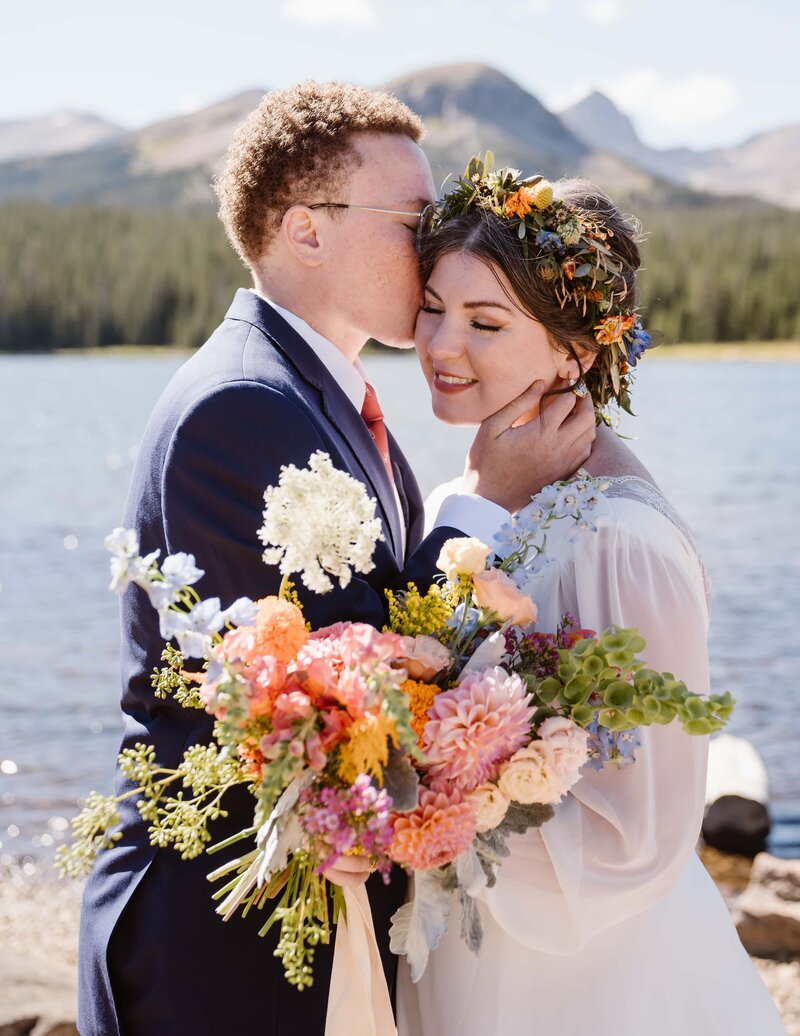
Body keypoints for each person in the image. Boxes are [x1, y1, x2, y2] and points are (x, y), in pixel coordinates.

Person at [76, 87, 595, 1036]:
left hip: (296, 906)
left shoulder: (319, 397)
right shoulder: (238, 408)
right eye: (413, 220)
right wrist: (486, 490)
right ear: (305, 231)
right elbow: (358, 664)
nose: (435, 244)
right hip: (218, 932)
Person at [398, 165, 786, 1034]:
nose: (440, 344)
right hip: (464, 948)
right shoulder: (465, 495)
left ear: (577, 353)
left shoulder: (623, 541)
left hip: (567, 984)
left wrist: (420, 821)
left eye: (485, 322)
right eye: (432, 307)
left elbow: (634, 838)